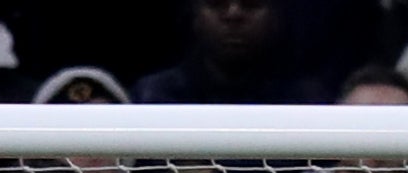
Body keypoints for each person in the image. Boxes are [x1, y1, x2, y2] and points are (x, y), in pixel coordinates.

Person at [133, 0, 328, 104]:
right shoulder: (154, 96)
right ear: (195, 17)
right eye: (217, 4)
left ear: (276, 17)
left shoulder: (306, 102)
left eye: (250, 4)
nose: (233, 14)